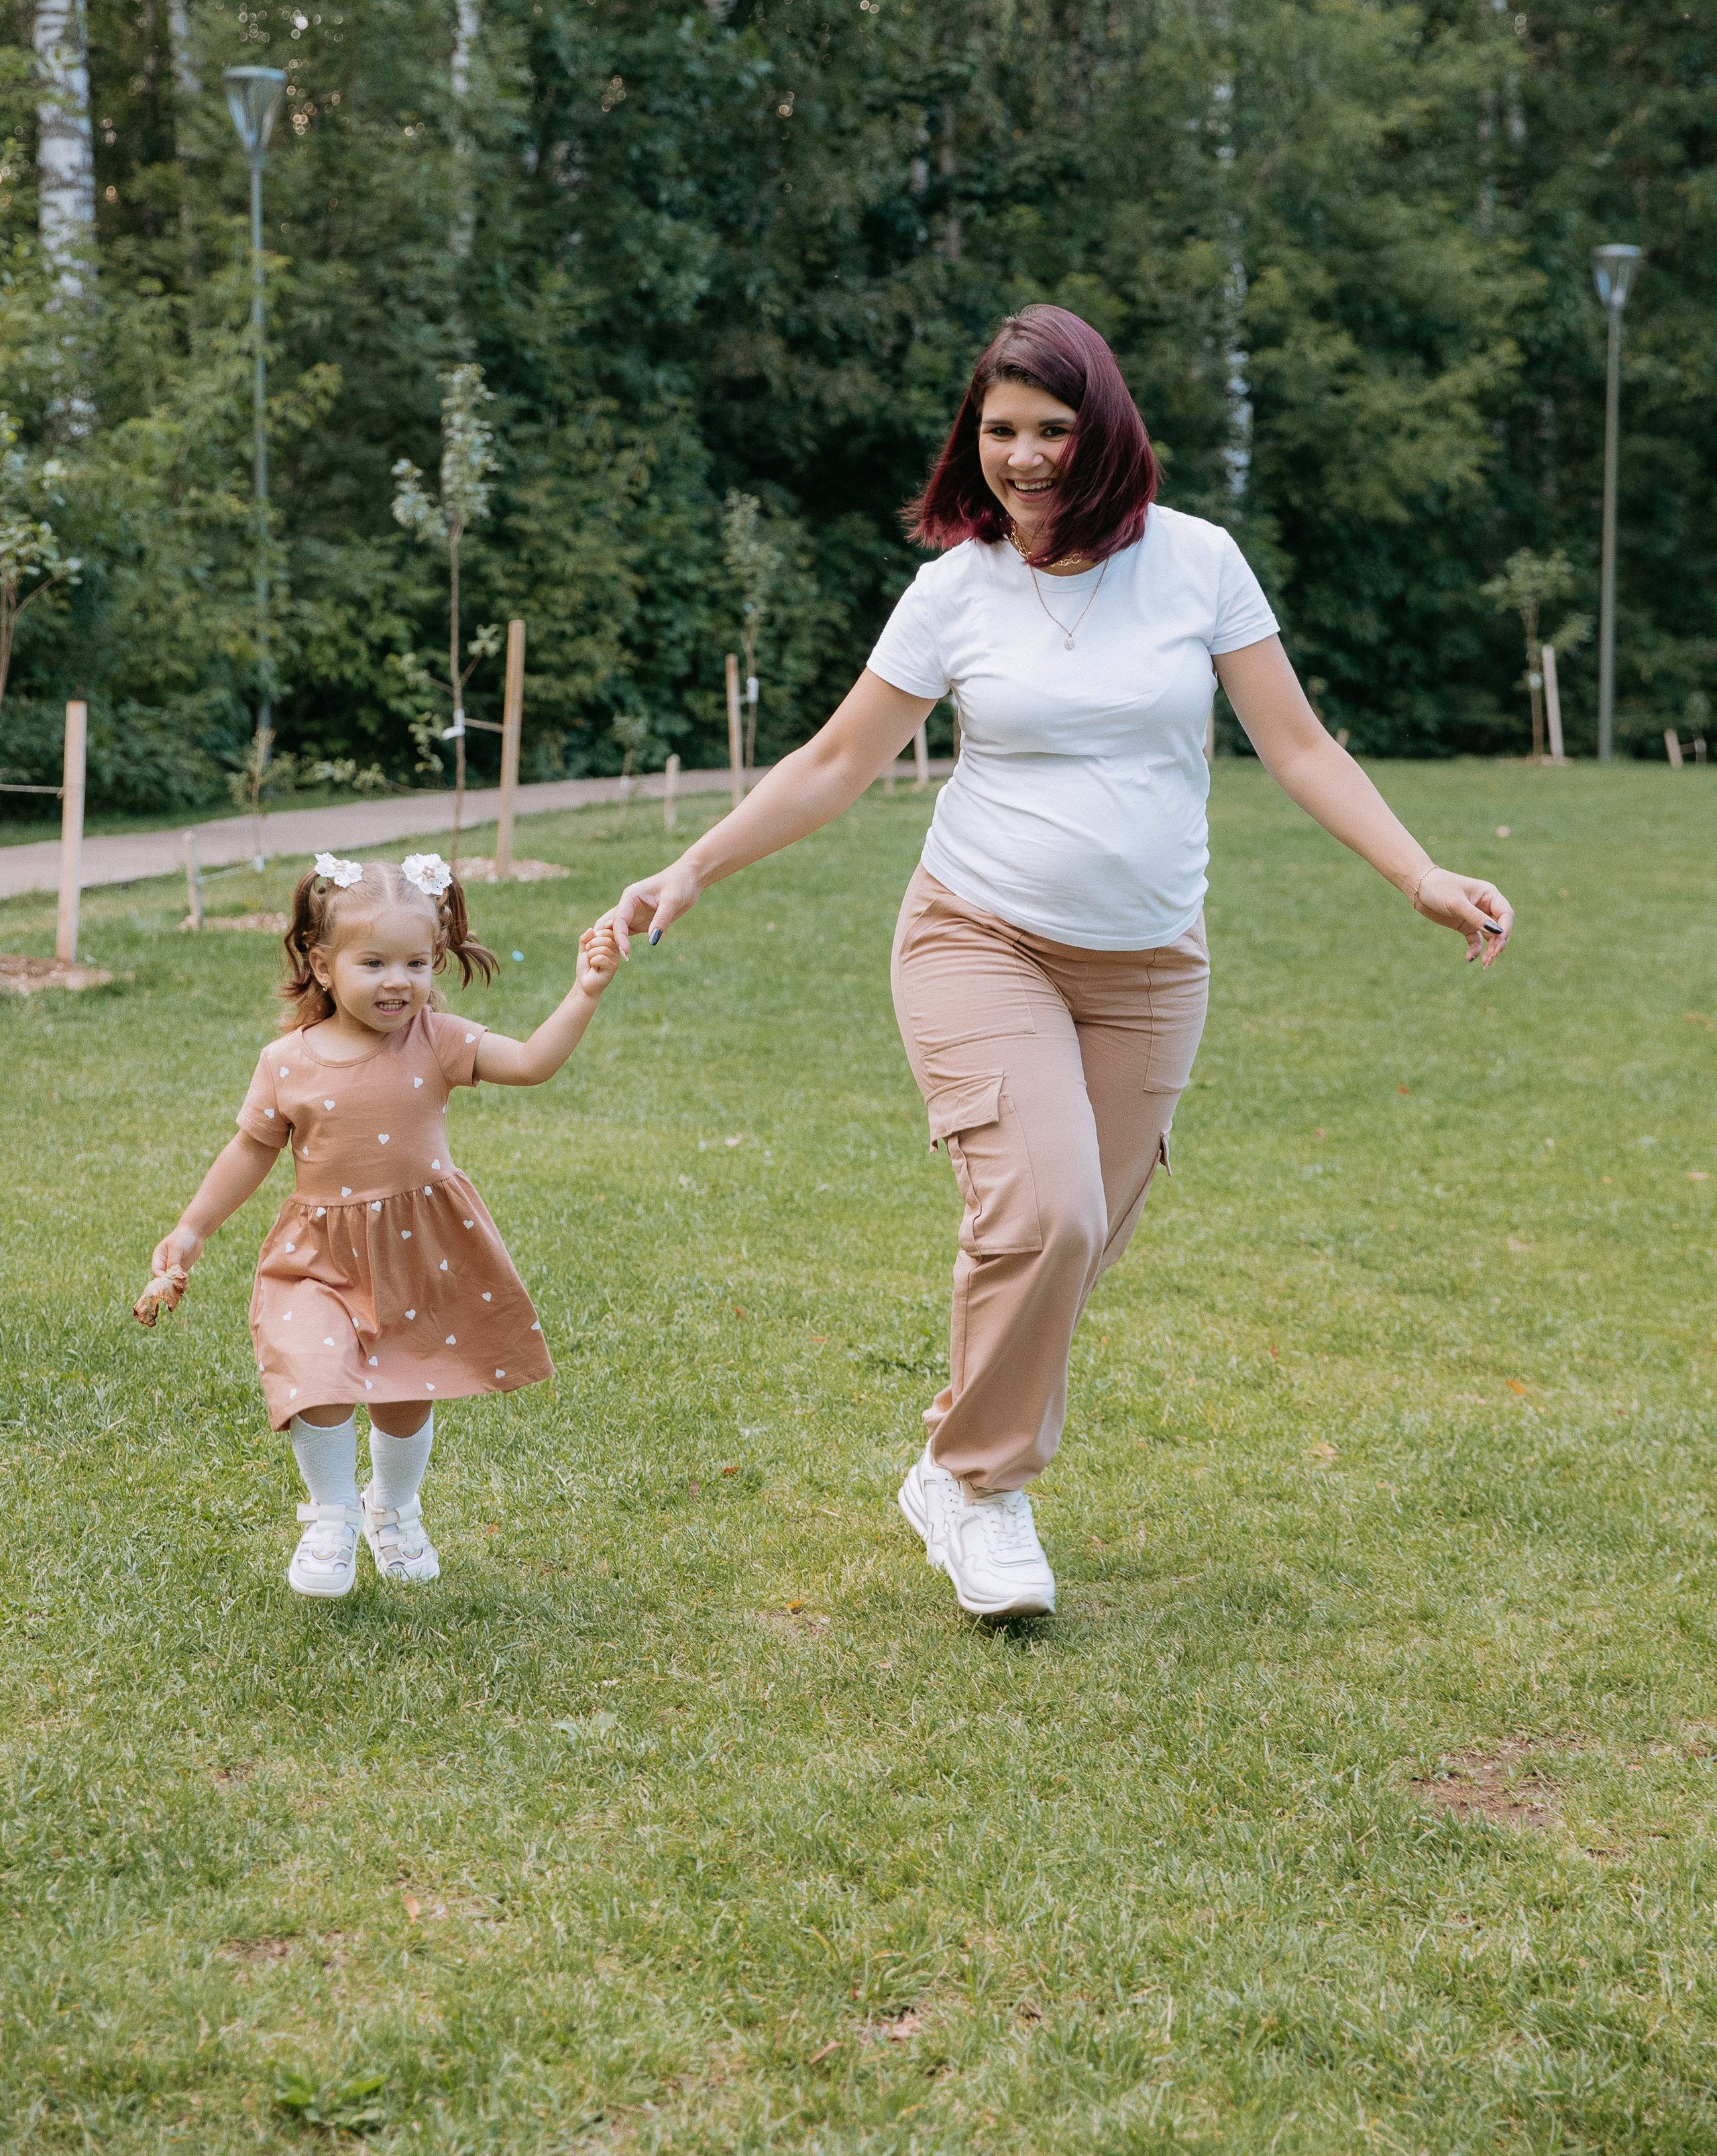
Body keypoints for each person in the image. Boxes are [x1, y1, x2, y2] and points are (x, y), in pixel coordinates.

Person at [599, 306, 1513, 1621]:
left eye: (1049, 431)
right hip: (977, 935)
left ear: (1105, 435)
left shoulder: (1196, 564)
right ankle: (980, 1491)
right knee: (1045, 1212)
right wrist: (688, 869)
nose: (1021, 460)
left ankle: (946, 1460)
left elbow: (1297, 746)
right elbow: (834, 763)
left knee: (1076, 1242)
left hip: (1151, 965)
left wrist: (1417, 873)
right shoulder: (954, 588)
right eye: (999, 431)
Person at [135, 850, 621, 1599]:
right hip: (316, 1253)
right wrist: (193, 1229)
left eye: (417, 962)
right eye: (374, 963)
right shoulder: (286, 1062)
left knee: (405, 1388)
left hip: (418, 1249)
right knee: (314, 1374)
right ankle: (331, 1516)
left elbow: (529, 1063)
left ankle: (392, 1509)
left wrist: (585, 991)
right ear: (324, 966)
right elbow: (251, 1150)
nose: (399, 981)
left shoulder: (438, 1039)